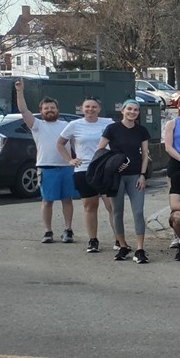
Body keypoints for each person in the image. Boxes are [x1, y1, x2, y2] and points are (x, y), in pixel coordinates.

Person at [15, 79, 76, 244]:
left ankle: (68, 230)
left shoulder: (67, 125)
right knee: (47, 200)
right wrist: (20, 91)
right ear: (41, 111)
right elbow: (23, 110)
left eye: (52, 108)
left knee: (67, 199)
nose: (49, 110)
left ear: (57, 110)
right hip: (46, 167)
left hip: (67, 167)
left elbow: (76, 145)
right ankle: (48, 232)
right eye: (46, 108)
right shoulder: (37, 125)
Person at [96, 99, 152, 264]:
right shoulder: (112, 129)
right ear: (123, 110)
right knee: (117, 211)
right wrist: (112, 163)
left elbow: (145, 154)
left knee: (138, 212)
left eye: (135, 110)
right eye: (129, 109)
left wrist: (143, 175)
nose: (132, 112)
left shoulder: (141, 130)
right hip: (117, 176)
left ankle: (140, 249)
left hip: (135, 175)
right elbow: (100, 150)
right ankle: (122, 245)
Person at [58, 96, 114, 253]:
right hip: (84, 170)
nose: (91, 109)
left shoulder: (108, 123)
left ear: (99, 109)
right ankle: (93, 240)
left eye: (94, 107)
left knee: (112, 206)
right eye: (87, 107)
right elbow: (60, 143)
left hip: (105, 169)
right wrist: (70, 160)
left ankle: (119, 240)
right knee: (90, 206)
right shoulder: (74, 125)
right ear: (82, 109)